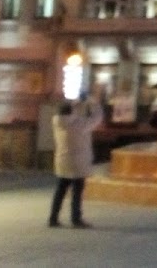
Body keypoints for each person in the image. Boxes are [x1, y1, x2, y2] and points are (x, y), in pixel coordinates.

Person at [49, 96, 103, 228]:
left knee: (60, 190)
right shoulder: (79, 125)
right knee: (77, 193)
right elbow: (96, 118)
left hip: (62, 160)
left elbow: (69, 113)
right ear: (72, 112)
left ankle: (53, 218)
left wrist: (74, 105)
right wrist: (93, 103)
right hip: (78, 163)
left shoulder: (57, 122)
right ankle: (76, 218)